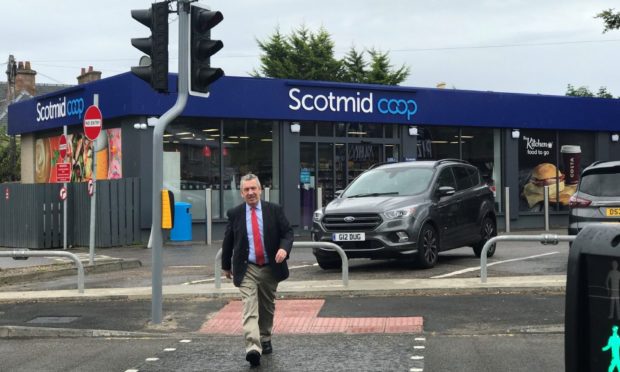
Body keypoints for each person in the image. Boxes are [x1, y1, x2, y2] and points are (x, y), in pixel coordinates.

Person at [221, 173, 294, 367]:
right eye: (246, 189)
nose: (251, 192)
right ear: (241, 192)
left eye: (254, 188)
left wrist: (283, 249)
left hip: (270, 267)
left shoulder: (274, 210)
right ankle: (253, 347)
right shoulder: (235, 213)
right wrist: (226, 265)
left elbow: (287, 232)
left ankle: (265, 336)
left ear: (260, 190)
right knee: (249, 306)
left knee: (267, 306)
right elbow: (229, 240)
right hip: (247, 267)